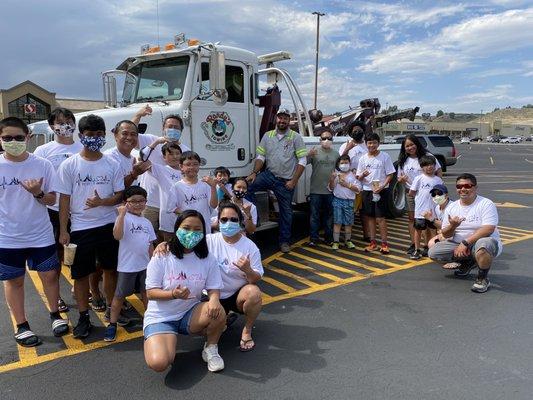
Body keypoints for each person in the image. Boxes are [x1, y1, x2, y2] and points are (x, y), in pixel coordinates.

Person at [0, 117, 69, 347]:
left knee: (49, 275)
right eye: (7, 138)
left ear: (27, 137)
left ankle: (55, 315)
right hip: (7, 237)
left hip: (40, 233)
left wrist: (38, 192)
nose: (13, 142)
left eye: (18, 137)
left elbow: (52, 199)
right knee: (14, 281)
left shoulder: (42, 164)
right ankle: (21, 325)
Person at [57, 114, 125, 338]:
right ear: (81, 136)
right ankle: (84, 317)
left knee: (110, 269)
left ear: (104, 136)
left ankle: (111, 311)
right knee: (81, 274)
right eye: (90, 135)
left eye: (99, 134)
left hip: (107, 224)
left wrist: (101, 202)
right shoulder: (69, 165)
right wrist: (64, 230)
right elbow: (64, 199)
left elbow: (119, 195)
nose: (95, 138)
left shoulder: (112, 163)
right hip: (80, 228)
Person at [143, 210, 226, 373]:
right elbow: (151, 293)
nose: (191, 233)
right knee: (159, 363)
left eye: (197, 230)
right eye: (186, 228)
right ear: (177, 228)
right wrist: (173, 294)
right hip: (161, 317)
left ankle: (211, 348)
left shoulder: (207, 258)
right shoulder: (162, 255)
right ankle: (159, 338)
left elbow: (213, 287)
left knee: (218, 311)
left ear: (203, 232)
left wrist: (214, 300)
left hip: (189, 312)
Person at [34, 107, 83, 312]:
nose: (66, 126)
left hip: (80, 212)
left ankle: (79, 290)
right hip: (53, 210)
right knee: (54, 257)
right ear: (52, 126)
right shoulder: (43, 151)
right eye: (61, 122)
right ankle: (57, 297)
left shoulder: (82, 147)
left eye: (69, 121)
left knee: (80, 256)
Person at [245, 109, 308, 253]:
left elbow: (302, 160)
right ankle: (256, 217)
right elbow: (261, 157)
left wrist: (293, 180)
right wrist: (254, 173)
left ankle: (285, 241)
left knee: (286, 212)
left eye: (285, 118)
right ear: (276, 119)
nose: (282, 121)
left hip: (285, 181)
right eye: (280, 118)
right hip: (269, 175)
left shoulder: (295, 137)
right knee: (247, 188)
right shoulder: (268, 136)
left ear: (289, 120)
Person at [428, 173, 503, 293]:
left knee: (484, 245)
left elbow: (488, 229)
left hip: (482, 241)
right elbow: (446, 234)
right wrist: (453, 226)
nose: (463, 189)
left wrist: (465, 243)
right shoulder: (452, 207)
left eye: (467, 185)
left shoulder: (486, 204)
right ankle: (467, 261)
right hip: (458, 243)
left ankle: (482, 279)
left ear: (475, 187)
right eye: (459, 186)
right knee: (433, 252)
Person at [206, 201, 263, 351]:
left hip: (235, 295)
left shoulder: (249, 246)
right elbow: (184, 249)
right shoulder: (208, 241)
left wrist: (248, 269)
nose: (228, 223)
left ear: (240, 222)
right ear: (218, 222)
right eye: (224, 220)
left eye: (233, 219)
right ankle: (223, 319)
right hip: (212, 296)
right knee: (201, 330)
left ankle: (247, 330)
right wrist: (164, 245)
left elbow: (256, 279)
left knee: (254, 293)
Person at [104, 186, 156, 342]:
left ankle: (150, 321)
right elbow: (117, 235)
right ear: (125, 203)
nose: (138, 204)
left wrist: (154, 264)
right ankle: (112, 324)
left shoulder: (146, 222)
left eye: (142, 201)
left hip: (145, 265)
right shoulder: (123, 218)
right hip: (127, 266)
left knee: (147, 294)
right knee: (119, 296)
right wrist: (121, 215)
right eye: (133, 201)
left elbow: (150, 245)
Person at [132, 108, 190, 234]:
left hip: (173, 206)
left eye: (176, 127)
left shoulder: (186, 150)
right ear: (163, 128)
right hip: (150, 203)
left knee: (170, 237)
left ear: (181, 131)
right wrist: (138, 115)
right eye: (170, 126)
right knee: (146, 236)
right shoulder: (151, 140)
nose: (173, 129)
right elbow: (132, 136)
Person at [397, 134, 442, 254]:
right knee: (413, 219)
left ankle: (428, 244)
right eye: (407, 146)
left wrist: (437, 189)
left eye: (412, 144)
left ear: (417, 144)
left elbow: (438, 171)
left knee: (429, 220)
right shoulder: (403, 160)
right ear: (404, 148)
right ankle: (414, 244)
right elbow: (399, 177)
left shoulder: (427, 156)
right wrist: (401, 180)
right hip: (411, 193)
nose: (410, 147)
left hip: (428, 194)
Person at [356, 133, 395, 254]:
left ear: (378, 143)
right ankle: (373, 243)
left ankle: (384, 244)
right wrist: (363, 175)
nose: (371, 145)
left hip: (381, 191)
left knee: (381, 219)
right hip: (367, 191)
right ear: (366, 144)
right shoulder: (363, 158)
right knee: (370, 218)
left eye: (374, 142)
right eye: (369, 143)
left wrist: (382, 186)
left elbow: (390, 174)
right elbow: (358, 176)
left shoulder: (385, 156)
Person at [167, 151, 218, 234]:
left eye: (195, 164)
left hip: (204, 228)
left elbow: (214, 205)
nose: (192, 167)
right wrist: (190, 214)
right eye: (188, 164)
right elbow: (171, 208)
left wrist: (213, 187)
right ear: (181, 166)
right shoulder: (177, 187)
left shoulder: (206, 185)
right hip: (186, 228)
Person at [145, 142, 183, 242]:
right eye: (170, 154)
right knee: (169, 247)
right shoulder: (161, 170)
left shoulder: (187, 171)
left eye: (177, 153)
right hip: (168, 218)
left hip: (185, 216)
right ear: (164, 157)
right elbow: (143, 157)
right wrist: (157, 142)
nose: (175, 156)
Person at [408, 155, 444, 260]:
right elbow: (412, 192)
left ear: (435, 166)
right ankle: (417, 249)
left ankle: (432, 249)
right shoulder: (419, 179)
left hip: (433, 212)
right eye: (426, 165)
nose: (429, 167)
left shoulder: (438, 180)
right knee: (418, 230)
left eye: (431, 165)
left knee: (433, 230)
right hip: (420, 211)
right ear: (422, 167)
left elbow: (441, 196)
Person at [339, 122, 369, 240]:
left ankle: (367, 235)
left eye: (359, 130)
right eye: (355, 130)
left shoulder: (367, 145)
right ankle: (347, 237)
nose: (357, 132)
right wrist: (348, 148)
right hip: (350, 184)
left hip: (365, 183)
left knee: (364, 212)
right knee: (348, 211)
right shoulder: (345, 145)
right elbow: (340, 161)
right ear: (350, 132)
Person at [307, 129, 336, 246]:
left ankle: (328, 238)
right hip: (316, 190)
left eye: (329, 138)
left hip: (330, 190)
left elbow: (342, 168)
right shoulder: (315, 152)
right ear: (320, 140)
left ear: (332, 140)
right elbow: (302, 162)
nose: (326, 140)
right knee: (314, 216)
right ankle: (313, 238)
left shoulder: (336, 154)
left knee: (329, 216)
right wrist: (308, 154)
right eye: (324, 138)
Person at [104, 120, 150, 187]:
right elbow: (113, 188)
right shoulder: (108, 157)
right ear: (115, 136)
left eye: (133, 134)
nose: (129, 138)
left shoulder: (133, 158)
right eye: (125, 134)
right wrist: (134, 174)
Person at [329, 155, 361, 250]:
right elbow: (331, 188)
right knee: (337, 222)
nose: (344, 165)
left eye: (346, 163)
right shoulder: (336, 174)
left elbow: (358, 189)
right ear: (338, 165)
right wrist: (332, 179)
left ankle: (348, 241)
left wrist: (347, 185)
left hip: (349, 201)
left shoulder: (353, 175)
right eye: (342, 163)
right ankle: (336, 241)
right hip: (337, 201)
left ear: (350, 164)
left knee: (348, 222)